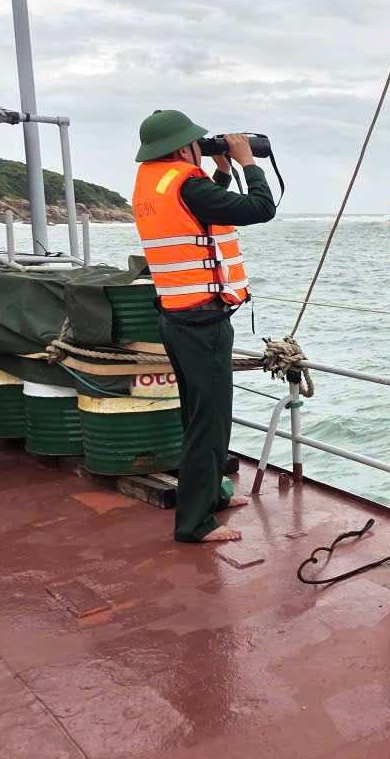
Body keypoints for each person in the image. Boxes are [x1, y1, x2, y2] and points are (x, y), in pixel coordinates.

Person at [131, 109, 276, 543]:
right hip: (202, 321)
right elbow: (261, 209)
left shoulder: (154, 183)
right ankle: (194, 522)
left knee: (201, 412)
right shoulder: (186, 183)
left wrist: (221, 174)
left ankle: (211, 493)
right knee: (207, 421)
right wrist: (249, 162)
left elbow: (198, 214)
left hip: (177, 315)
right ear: (182, 147)